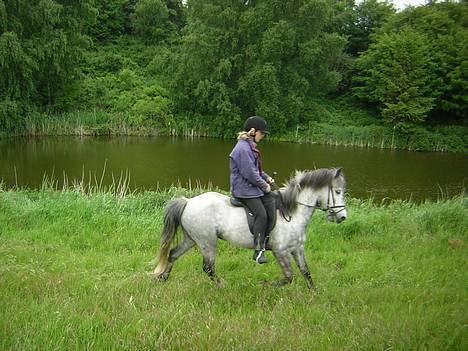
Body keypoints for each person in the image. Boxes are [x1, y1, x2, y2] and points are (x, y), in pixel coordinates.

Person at [229, 116, 276, 264]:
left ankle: (266, 238)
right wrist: (264, 185)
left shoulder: (249, 146)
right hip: (243, 189)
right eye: (262, 133)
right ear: (253, 131)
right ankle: (258, 251)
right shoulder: (243, 148)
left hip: (250, 187)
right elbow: (249, 173)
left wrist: (267, 177)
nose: (263, 136)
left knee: (271, 201)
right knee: (261, 214)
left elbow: (256, 170)